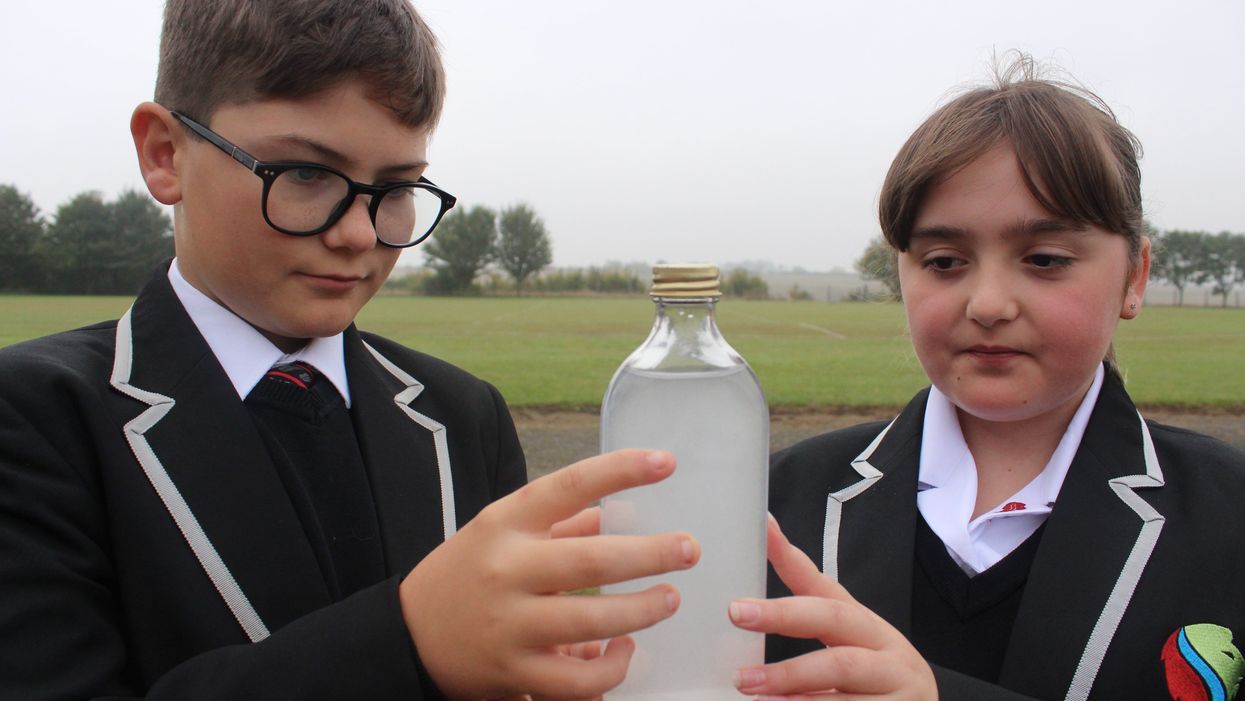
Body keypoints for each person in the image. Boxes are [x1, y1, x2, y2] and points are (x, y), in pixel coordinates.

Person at [0, 2, 698, 699]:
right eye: (305, 174)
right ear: (164, 153)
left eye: (395, 188)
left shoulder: (462, 415)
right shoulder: (38, 418)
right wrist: (410, 639)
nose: (361, 234)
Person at [727, 56, 1245, 700]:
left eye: (1045, 259)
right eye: (944, 261)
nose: (989, 303)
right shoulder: (768, 504)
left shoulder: (1230, 516)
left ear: (1134, 277)